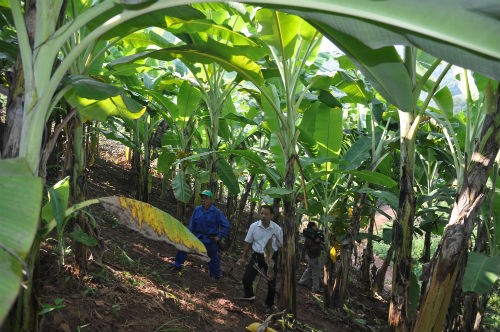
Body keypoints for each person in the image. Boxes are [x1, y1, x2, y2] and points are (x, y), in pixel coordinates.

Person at [170, 190, 230, 281]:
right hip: (197, 237)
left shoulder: (216, 212)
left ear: (211, 200)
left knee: (213, 257)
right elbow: (192, 223)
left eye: (206, 198)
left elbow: (226, 225)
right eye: (202, 198)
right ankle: (177, 265)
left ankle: (215, 276)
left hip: (210, 239)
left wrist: (220, 236)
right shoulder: (197, 209)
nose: (203, 200)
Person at [237, 204, 283, 311]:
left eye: (266, 214)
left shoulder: (277, 229)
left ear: (271, 215)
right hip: (257, 256)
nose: (263, 216)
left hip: (271, 258)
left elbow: (281, 245)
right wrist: (243, 257)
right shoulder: (254, 226)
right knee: (246, 279)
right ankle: (249, 297)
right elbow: (248, 242)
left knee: (271, 282)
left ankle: (269, 304)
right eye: (261, 213)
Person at [298, 221, 323, 294]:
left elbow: (305, 246)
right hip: (314, 256)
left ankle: (302, 281)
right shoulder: (313, 234)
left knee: (309, 269)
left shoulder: (308, 234)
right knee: (316, 273)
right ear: (313, 226)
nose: (316, 227)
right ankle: (315, 289)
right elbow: (318, 241)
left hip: (309, 255)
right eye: (315, 226)